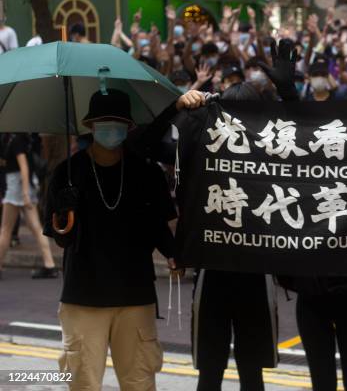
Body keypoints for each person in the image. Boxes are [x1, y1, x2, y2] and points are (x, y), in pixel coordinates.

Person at [43, 88, 205, 390]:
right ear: (90, 125)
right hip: (83, 297)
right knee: (83, 382)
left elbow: (158, 225)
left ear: (129, 127)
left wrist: (173, 254)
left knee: (139, 382)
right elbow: (61, 240)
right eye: (103, 122)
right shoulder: (67, 173)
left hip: (135, 296)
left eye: (117, 122)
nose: (110, 129)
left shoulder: (146, 172)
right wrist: (65, 212)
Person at [192, 83, 278, 391]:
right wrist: (186, 107)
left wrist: (287, 90)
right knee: (210, 372)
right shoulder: (202, 145)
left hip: (254, 274)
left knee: (252, 372)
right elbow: (150, 145)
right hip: (213, 272)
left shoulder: (272, 150)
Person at [0, 133, 56, 280]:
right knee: (36, 228)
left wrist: (24, 194)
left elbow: (23, 166)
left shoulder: (16, 139)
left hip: (17, 186)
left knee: (6, 229)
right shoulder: (24, 138)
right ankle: (49, 264)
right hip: (26, 185)